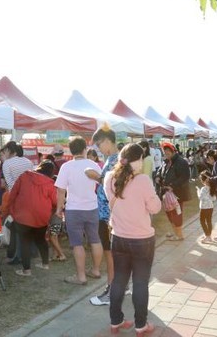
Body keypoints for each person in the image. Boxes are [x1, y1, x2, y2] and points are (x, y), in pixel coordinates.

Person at [104, 143, 161, 336]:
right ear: (138, 160)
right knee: (140, 283)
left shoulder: (109, 178)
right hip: (142, 240)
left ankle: (115, 321)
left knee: (119, 280)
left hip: (118, 237)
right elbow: (155, 208)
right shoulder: (143, 180)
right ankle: (140, 325)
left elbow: (114, 204)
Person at [55, 136, 103, 285]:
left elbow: (61, 190)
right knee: (95, 240)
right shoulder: (94, 164)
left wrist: (58, 208)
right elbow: (101, 184)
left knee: (77, 243)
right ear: (85, 149)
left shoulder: (66, 167)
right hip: (92, 207)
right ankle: (95, 270)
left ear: (70, 150)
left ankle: (81, 276)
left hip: (74, 209)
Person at [7, 160, 57, 277]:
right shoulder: (50, 183)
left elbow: (13, 193)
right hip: (41, 216)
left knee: (25, 242)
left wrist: (11, 209)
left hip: (22, 215)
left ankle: (26, 270)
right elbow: (54, 201)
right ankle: (45, 264)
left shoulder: (24, 176)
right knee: (41, 240)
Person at [88, 127, 119, 305]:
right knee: (114, 254)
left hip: (108, 216)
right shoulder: (114, 159)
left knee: (111, 255)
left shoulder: (115, 160)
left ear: (108, 140)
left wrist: (97, 178)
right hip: (109, 215)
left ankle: (112, 292)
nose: (99, 148)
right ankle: (120, 287)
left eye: (99, 144)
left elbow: (113, 187)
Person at [155, 142, 190, 241]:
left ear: (173, 151)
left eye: (168, 152)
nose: (166, 154)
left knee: (177, 214)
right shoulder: (166, 161)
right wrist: (157, 177)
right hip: (166, 193)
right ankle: (176, 232)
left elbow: (185, 177)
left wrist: (173, 186)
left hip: (177, 193)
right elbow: (159, 171)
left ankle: (179, 235)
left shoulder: (181, 162)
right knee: (170, 213)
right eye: (165, 152)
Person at [196, 171, 215, 244]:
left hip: (204, 208)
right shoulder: (213, 188)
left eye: (201, 180)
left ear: (205, 180)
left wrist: (198, 191)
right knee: (209, 221)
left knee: (202, 221)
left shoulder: (203, 189)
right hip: (211, 207)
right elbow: (214, 199)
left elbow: (201, 197)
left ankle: (208, 236)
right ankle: (209, 235)